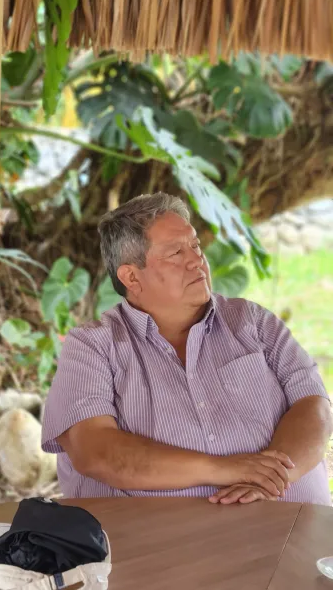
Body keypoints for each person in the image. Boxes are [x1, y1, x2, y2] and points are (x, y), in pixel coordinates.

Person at [41, 193, 332, 505]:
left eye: (195, 246)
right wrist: (223, 469)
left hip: (294, 526)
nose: (196, 260)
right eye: (175, 253)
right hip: (169, 547)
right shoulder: (92, 347)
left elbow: (314, 404)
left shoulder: (253, 322)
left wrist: (271, 480)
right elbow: (95, 452)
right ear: (131, 277)